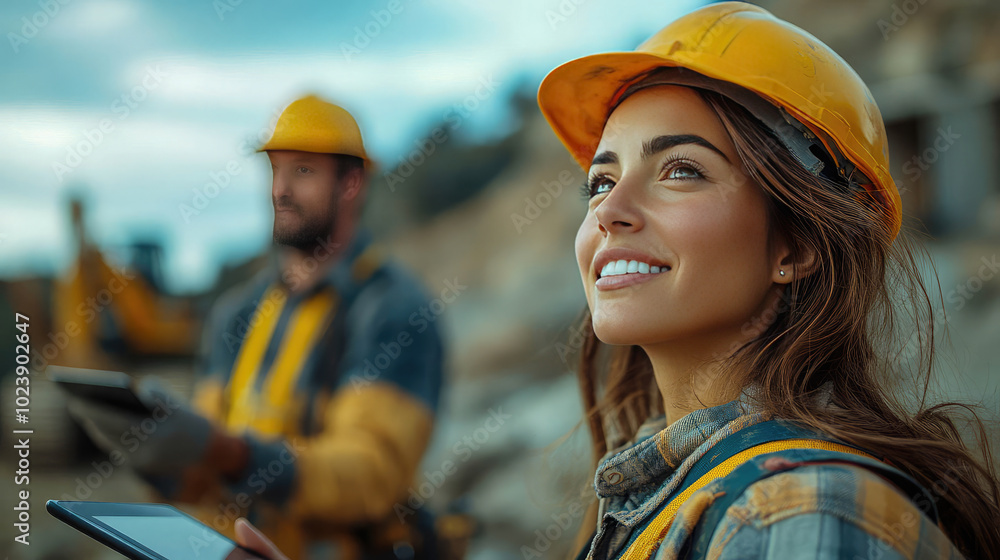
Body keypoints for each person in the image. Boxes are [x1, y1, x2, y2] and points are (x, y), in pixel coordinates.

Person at [232, 4, 1000, 559]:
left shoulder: (801, 520)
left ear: (796, 246)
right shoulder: (680, 496)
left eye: (681, 170)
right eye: (599, 183)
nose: (612, 212)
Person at [67, 94, 445, 560]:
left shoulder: (392, 309)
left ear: (352, 183)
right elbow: (203, 467)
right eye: (275, 170)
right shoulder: (238, 314)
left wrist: (233, 454)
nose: (280, 190)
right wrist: (160, 455)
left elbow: (370, 475)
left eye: (302, 170)